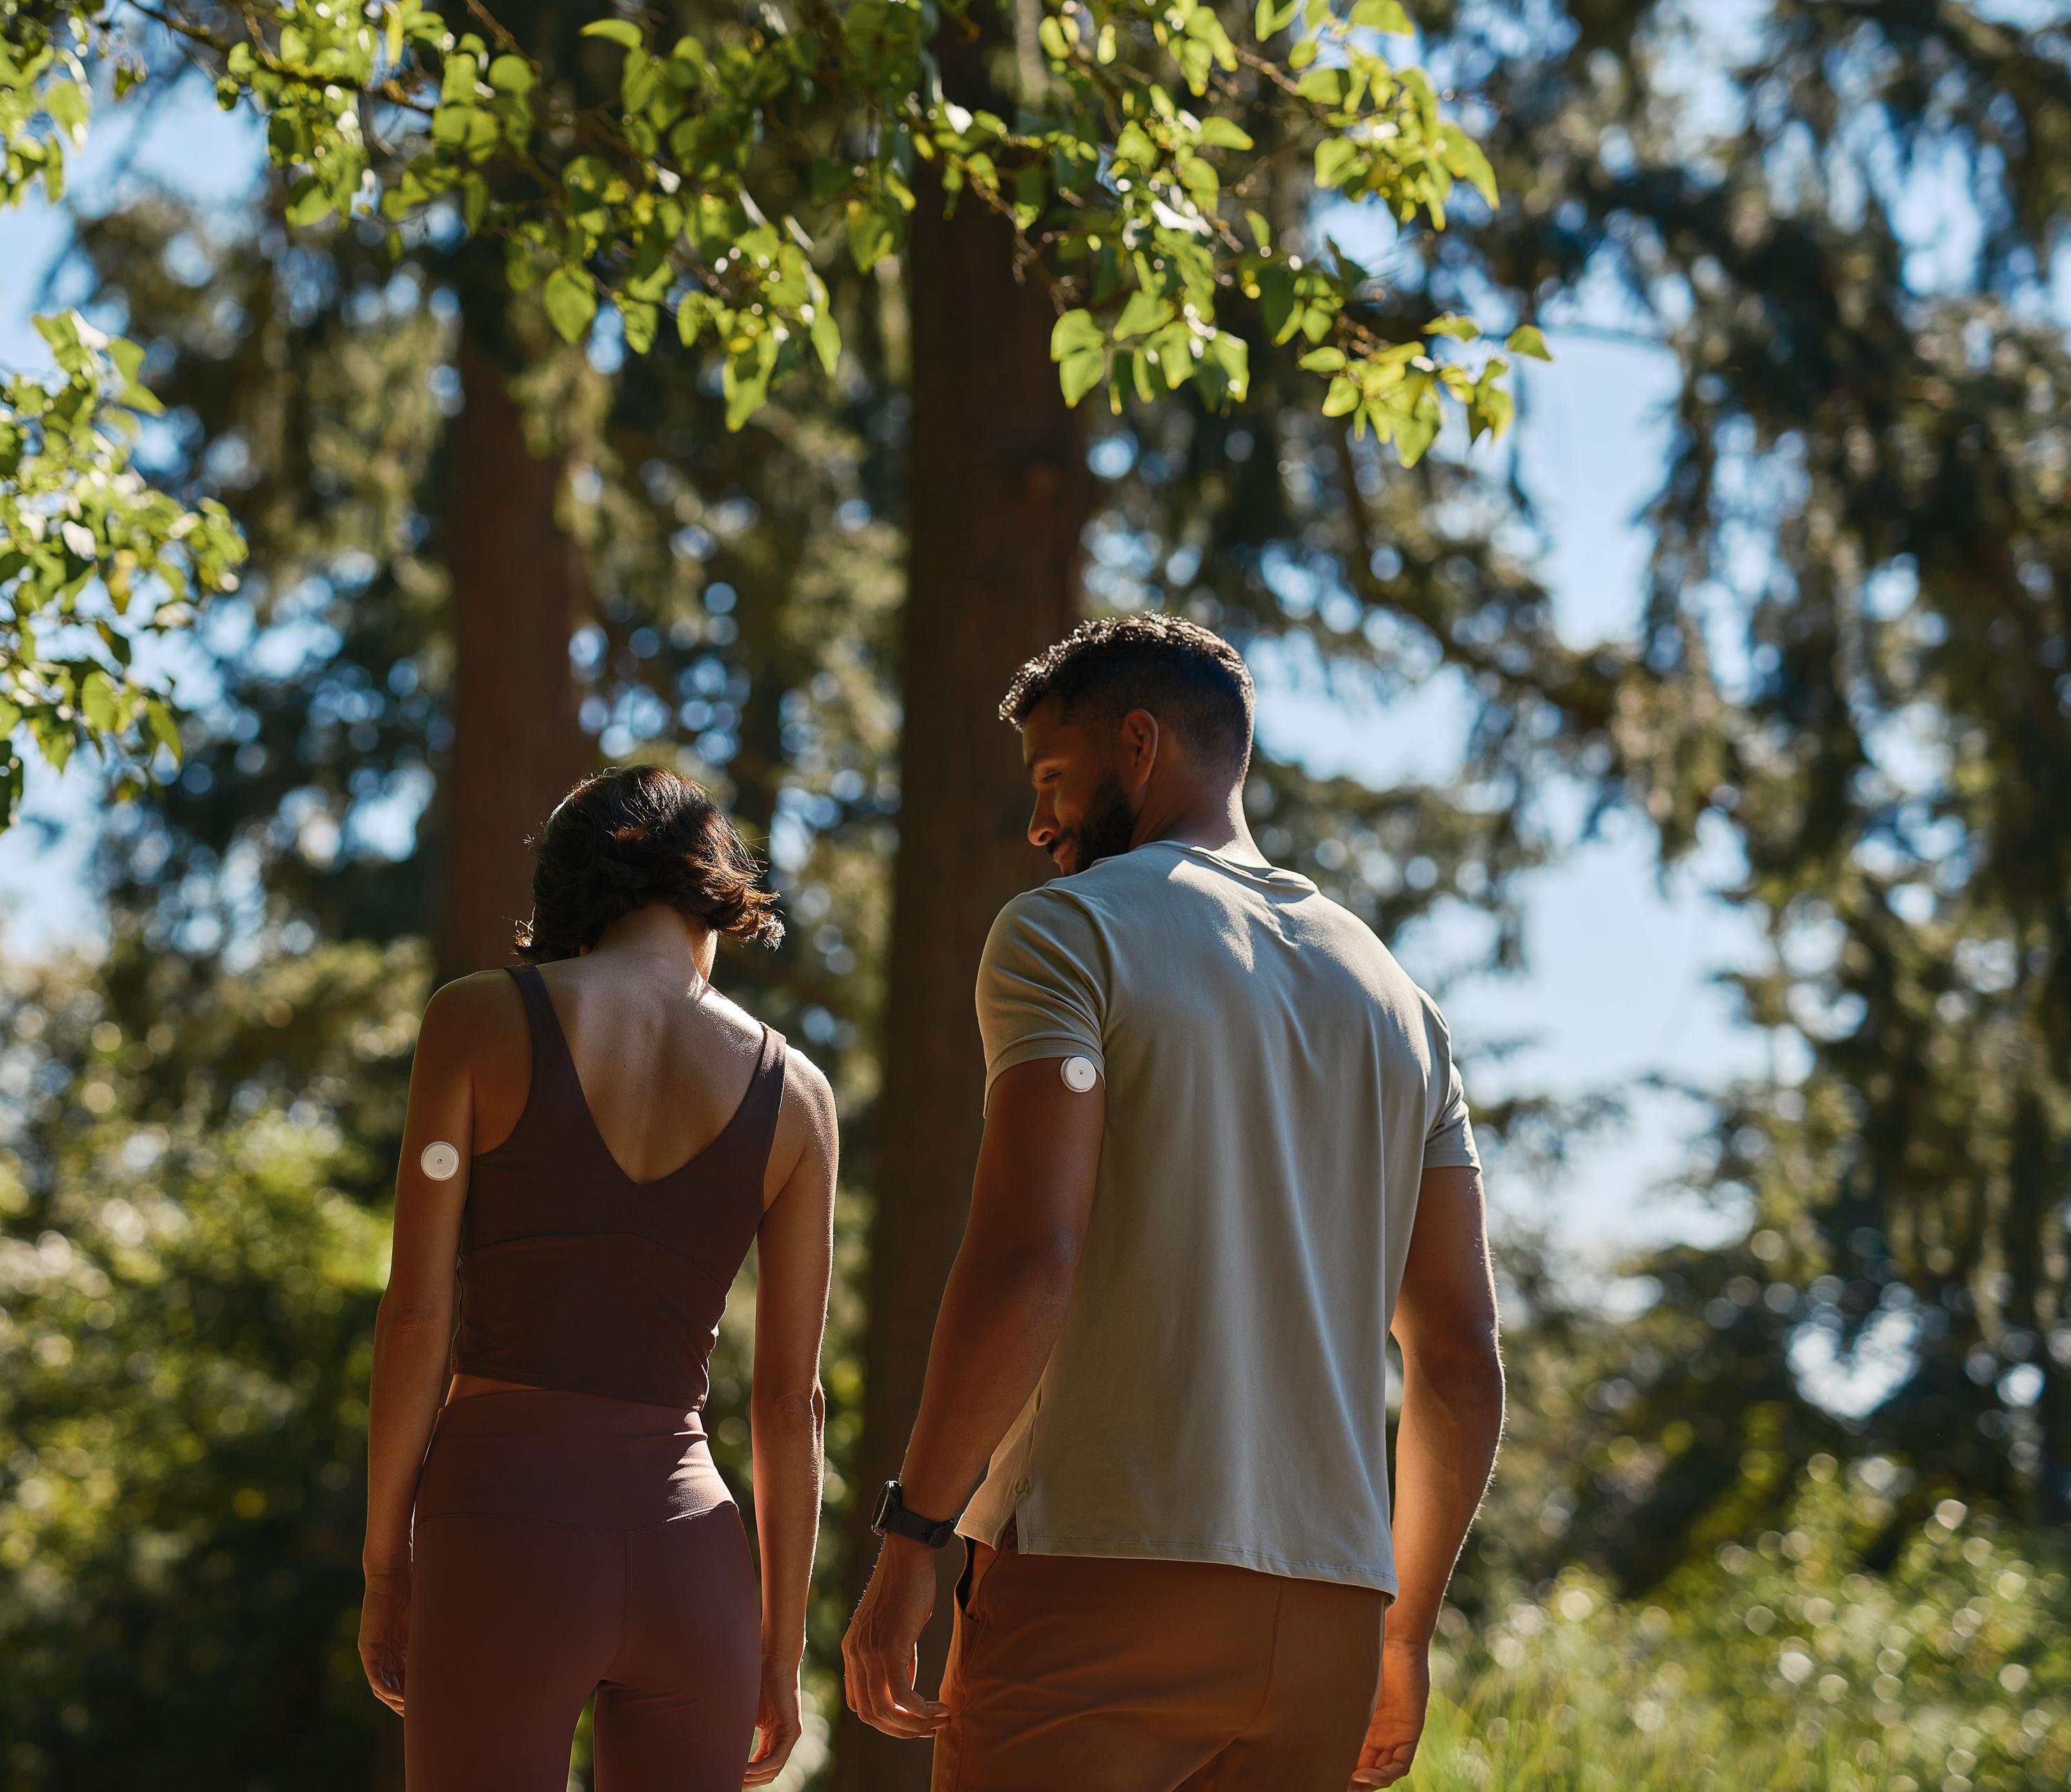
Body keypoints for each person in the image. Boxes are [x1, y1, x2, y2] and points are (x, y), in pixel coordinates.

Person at [841, 614, 1507, 1792]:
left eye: (1054, 777)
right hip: (1329, 1619)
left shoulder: (1068, 932)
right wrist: (1403, 1633)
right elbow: (1458, 1353)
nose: (1040, 821)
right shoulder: (1401, 1005)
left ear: (1139, 746)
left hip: (1098, 1576)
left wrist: (912, 1541)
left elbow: (1030, 1260)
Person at [359, 765, 841, 1792]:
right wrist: (779, 1647)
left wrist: (385, 1564)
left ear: (567, 899)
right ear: (713, 889)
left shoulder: (477, 1019)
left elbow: (415, 1318)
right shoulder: (799, 1095)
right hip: (693, 1564)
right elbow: (789, 1399)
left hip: (502, 1528)